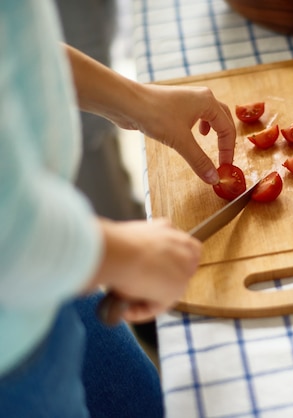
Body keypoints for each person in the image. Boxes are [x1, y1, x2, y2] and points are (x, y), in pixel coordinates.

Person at [0, 1, 236, 417]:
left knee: (137, 400)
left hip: (50, 261)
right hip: (12, 348)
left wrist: (138, 102)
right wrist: (121, 253)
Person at [54, 0, 156, 347]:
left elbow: (31, 53)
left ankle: (122, 214)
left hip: (52, 278)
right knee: (88, 144)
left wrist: (140, 102)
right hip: (21, 318)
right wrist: (126, 254)